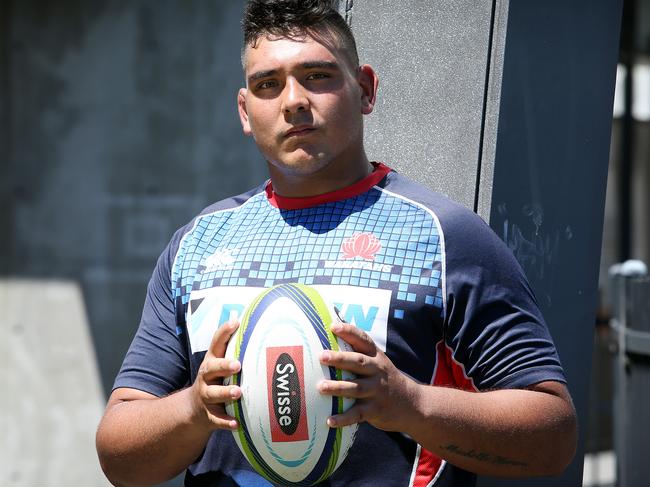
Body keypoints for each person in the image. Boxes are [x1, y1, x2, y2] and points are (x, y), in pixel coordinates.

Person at [96, 1, 577, 485]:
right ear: (246, 111)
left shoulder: (444, 236)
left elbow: (552, 436)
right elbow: (119, 455)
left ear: (364, 89)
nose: (293, 101)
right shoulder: (197, 245)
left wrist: (408, 404)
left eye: (317, 76)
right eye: (268, 84)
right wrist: (195, 409)